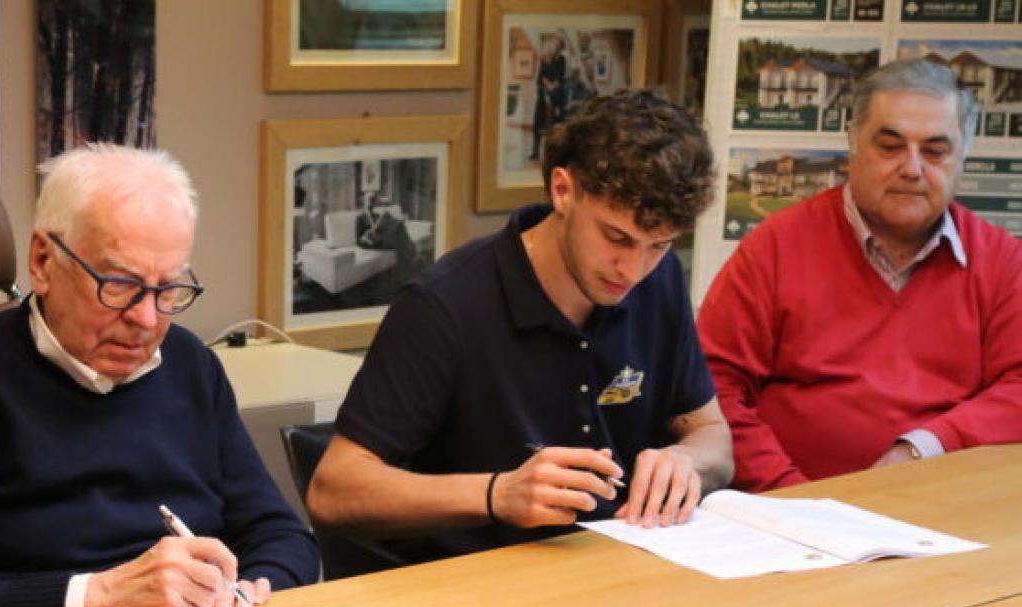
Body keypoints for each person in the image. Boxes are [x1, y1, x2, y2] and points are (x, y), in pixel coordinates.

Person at [0, 144, 319, 607]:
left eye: (169, 290)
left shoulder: (189, 365)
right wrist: (97, 598)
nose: (147, 319)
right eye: (120, 286)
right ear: (44, 262)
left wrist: (252, 588)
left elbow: (280, 534)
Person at [308, 90, 733, 563]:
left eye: (659, 246)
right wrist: (499, 494)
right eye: (616, 238)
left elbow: (711, 432)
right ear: (562, 190)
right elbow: (333, 490)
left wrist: (686, 460)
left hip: (621, 565)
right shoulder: (445, 306)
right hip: (482, 587)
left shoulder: (661, 280)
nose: (632, 271)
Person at [697, 59, 1022, 493]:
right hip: (784, 513)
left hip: (944, 514)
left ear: (962, 157)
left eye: (934, 151)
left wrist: (923, 447)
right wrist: (796, 496)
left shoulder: (1001, 259)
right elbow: (711, 387)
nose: (912, 168)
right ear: (852, 145)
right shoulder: (775, 246)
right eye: (890, 146)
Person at [529, 33, 567, 161]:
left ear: (560, 47)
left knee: (555, 126)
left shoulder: (561, 60)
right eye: (553, 44)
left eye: (557, 45)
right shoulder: (544, 59)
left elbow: (560, 77)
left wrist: (552, 86)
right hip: (543, 96)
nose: (554, 47)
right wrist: (547, 85)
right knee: (537, 123)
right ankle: (535, 151)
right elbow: (540, 78)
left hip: (556, 96)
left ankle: (553, 154)